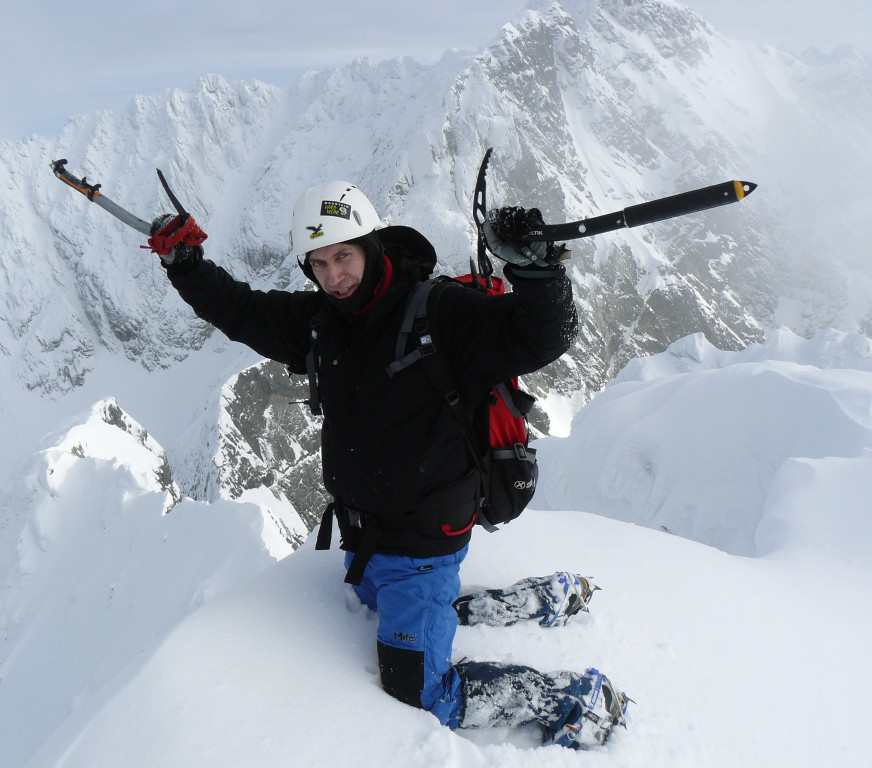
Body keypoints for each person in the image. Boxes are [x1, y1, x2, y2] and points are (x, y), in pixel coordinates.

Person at [149, 180, 628, 747]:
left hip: (423, 541)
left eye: (343, 256)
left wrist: (538, 271)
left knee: (416, 691)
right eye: (319, 263)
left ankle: (570, 698)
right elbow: (243, 311)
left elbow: (538, 336)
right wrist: (186, 265)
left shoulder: (441, 312)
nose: (334, 276)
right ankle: (480, 607)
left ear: (371, 245)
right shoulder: (321, 319)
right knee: (384, 605)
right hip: (367, 535)